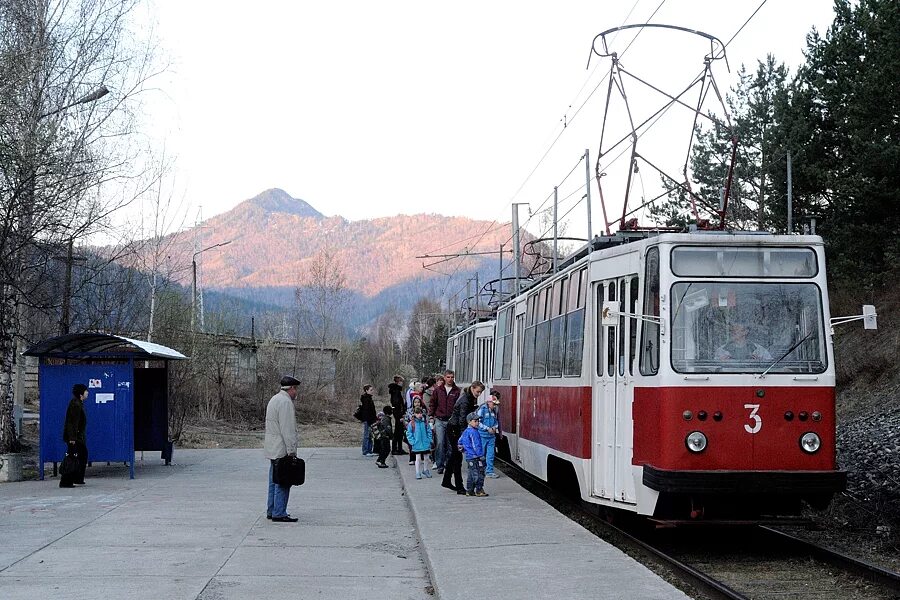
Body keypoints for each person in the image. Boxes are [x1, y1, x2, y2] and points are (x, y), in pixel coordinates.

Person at [264, 375, 300, 523]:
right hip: (282, 448)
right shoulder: (285, 402)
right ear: (291, 388)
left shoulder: (274, 399)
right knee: (284, 481)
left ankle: (272, 510)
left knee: (274, 480)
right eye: (296, 389)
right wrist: (292, 451)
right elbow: (288, 429)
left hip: (272, 447)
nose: (296, 393)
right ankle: (279, 512)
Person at [441, 381, 483, 494]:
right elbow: (462, 419)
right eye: (478, 391)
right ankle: (459, 487)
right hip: (455, 429)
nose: (479, 394)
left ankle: (446, 480)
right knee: (457, 458)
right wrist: (466, 436)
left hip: (454, 428)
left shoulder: (468, 397)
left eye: (480, 392)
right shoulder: (465, 400)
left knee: (453, 456)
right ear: (473, 388)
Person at [429, 370, 460, 474]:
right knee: (440, 443)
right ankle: (440, 464)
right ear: (444, 378)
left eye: (452, 377)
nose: (450, 379)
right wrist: (431, 416)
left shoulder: (457, 391)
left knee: (450, 444)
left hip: (451, 421)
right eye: (448, 377)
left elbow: (458, 406)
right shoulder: (438, 390)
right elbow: (433, 403)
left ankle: (449, 464)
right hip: (440, 419)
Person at [60, 383, 88, 488]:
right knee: (72, 458)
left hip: (77, 437)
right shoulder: (75, 404)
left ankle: (77, 478)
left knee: (80, 456)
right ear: (81, 393)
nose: (87, 393)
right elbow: (72, 422)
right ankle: (66, 481)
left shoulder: (78, 403)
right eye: (86, 391)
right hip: (74, 437)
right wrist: (72, 438)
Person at [459, 412, 488, 497]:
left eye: (478, 421)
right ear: (469, 422)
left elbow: (460, 442)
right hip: (475, 457)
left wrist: (464, 449)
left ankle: (469, 490)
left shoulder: (466, 431)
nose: (477, 422)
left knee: (471, 474)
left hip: (469, 457)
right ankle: (479, 490)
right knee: (479, 474)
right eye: (475, 421)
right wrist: (480, 456)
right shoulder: (473, 432)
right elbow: (476, 446)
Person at [477, 390, 502, 478]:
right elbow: (478, 422)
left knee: (490, 454)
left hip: (491, 436)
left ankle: (489, 471)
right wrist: (488, 428)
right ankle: (481, 469)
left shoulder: (493, 411)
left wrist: (495, 427)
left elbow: (496, 421)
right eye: (494, 403)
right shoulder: (482, 409)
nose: (495, 405)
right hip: (482, 435)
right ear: (489, 402)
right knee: (482, 454)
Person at [406, 406, 433, 479]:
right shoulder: (411, 423)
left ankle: (425, 469)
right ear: (414, 414)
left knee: (426, 457)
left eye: (420, 413)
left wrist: (429, 439)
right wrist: (412, 442)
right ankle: (417, 472)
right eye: (417, 413)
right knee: (418, 459)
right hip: (417, 443)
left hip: (425, 442)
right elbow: (409, 433)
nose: (419, 415)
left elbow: (429, 431)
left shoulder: (425, 422)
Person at [388, 376, 407, 455]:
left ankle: (399, 448)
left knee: (400, 430)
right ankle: (395, 448)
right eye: (401, 381)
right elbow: (396, 403)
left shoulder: (396, 390)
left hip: (398, 412)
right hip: (398, 412)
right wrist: (400, 413)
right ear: (398, 382)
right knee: (398, 431)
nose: (402, 383)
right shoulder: (396, 391)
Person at [359, 385, 377, 456]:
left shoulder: (369, 398)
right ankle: (365, 450)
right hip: (368, 420)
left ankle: (369, 450)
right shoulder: (366, 399)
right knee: (366, 435)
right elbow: (367, 411)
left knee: (370, 435)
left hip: (371, 419)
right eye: (370, 390)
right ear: (366, 391)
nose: (372, 391)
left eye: (372, 390)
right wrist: (370, 420)